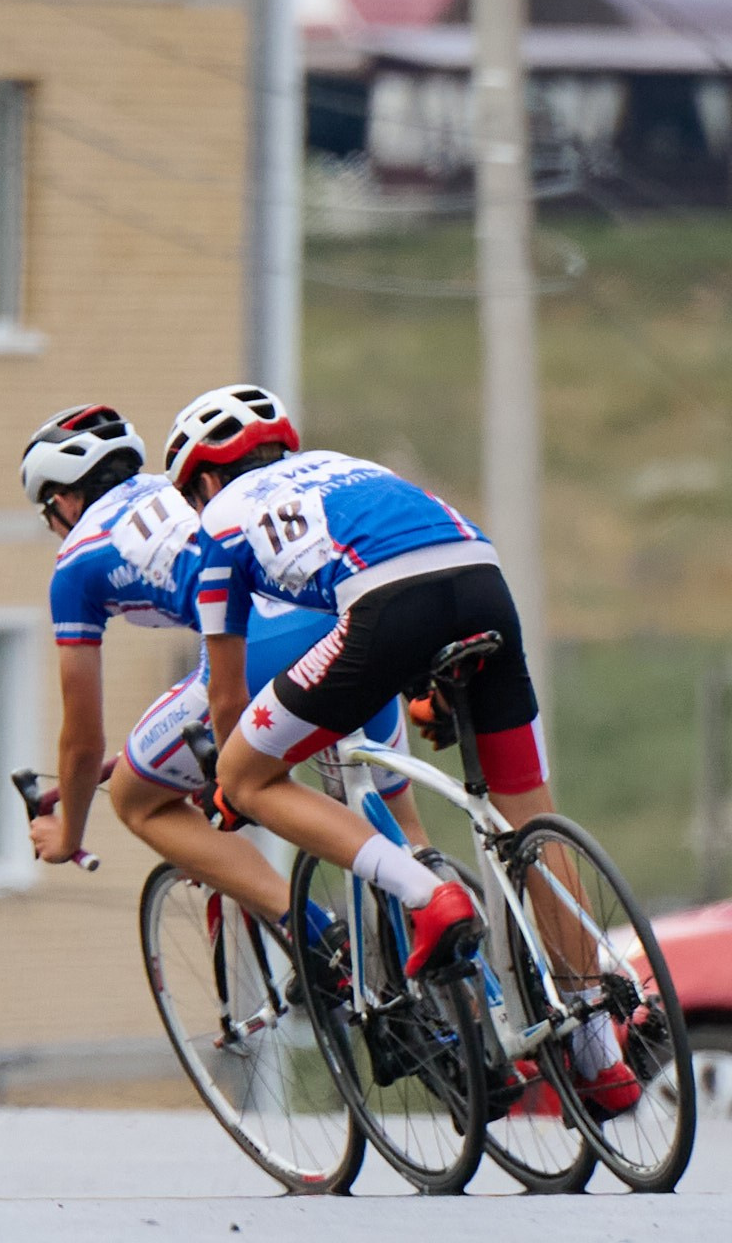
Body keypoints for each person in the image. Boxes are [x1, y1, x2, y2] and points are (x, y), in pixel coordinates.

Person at [166, 385, 639, 1113]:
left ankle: (428, 895)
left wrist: (230, 788)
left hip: (388, 606)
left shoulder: (221, 524)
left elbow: (227, 693)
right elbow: (414, 558)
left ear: (201, 480)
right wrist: (429, 688)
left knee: (247, 774)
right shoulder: (344, 466)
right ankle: (600, 1054)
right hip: (482, 579)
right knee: (526, 820)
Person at [19, 404, 427, 932]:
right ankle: (459, 971)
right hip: (348, 616)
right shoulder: (177, 489)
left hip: (258, 645)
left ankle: (316, 938)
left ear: (67, 499)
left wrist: (69, 833)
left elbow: (80, 739)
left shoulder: (77, 559)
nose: (53, 526)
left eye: (47, 511)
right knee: (405, 830)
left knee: (138, 798)